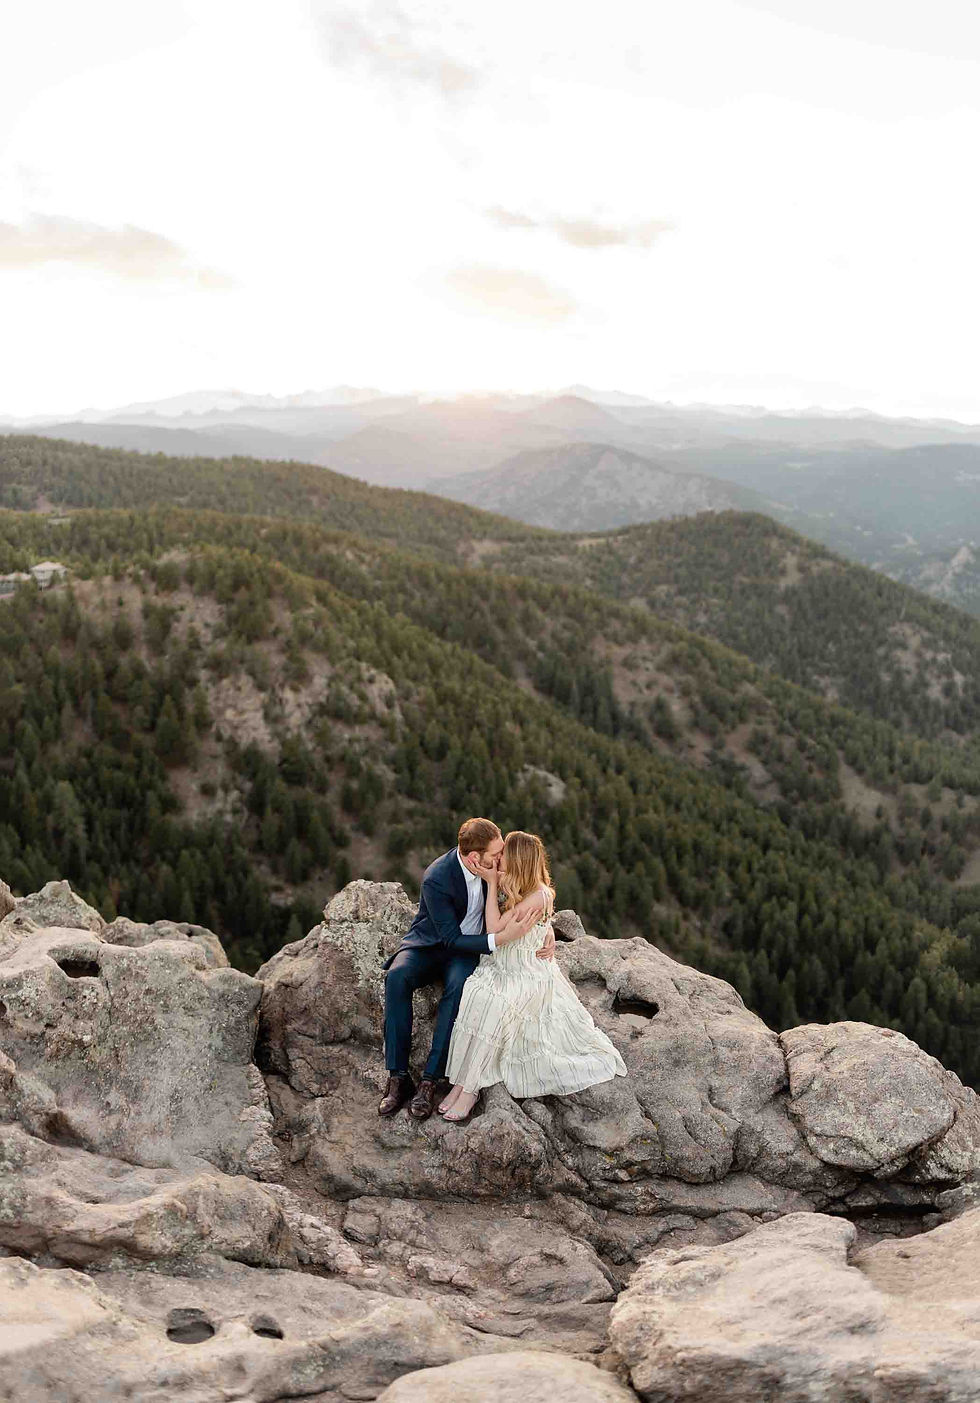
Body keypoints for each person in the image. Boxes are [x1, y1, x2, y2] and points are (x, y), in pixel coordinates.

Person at [439, 829, 628, 1123]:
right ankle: (461, 1083)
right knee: (476, 992)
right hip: (500, 964)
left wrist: (491, 887)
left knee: (497, 1003)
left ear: (517, 861)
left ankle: (471, 1090)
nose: (497, 859)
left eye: (503, 856)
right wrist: (546, 928)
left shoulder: (539, 894)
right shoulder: (508, 880)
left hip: (525, 971)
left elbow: (493, 930)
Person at [379, 817, 555, 1120]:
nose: (503, 858)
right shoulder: (437, 877)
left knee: (461, 988)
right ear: (475, 858)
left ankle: (430, 1081)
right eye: (497, 854)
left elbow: (532, 893)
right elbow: (451, 939)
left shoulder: (496, 870)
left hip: (466, 952)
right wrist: (498, 940)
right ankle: (397, 1077)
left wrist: (545, 929)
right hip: (434, 944)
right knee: (396, 977)